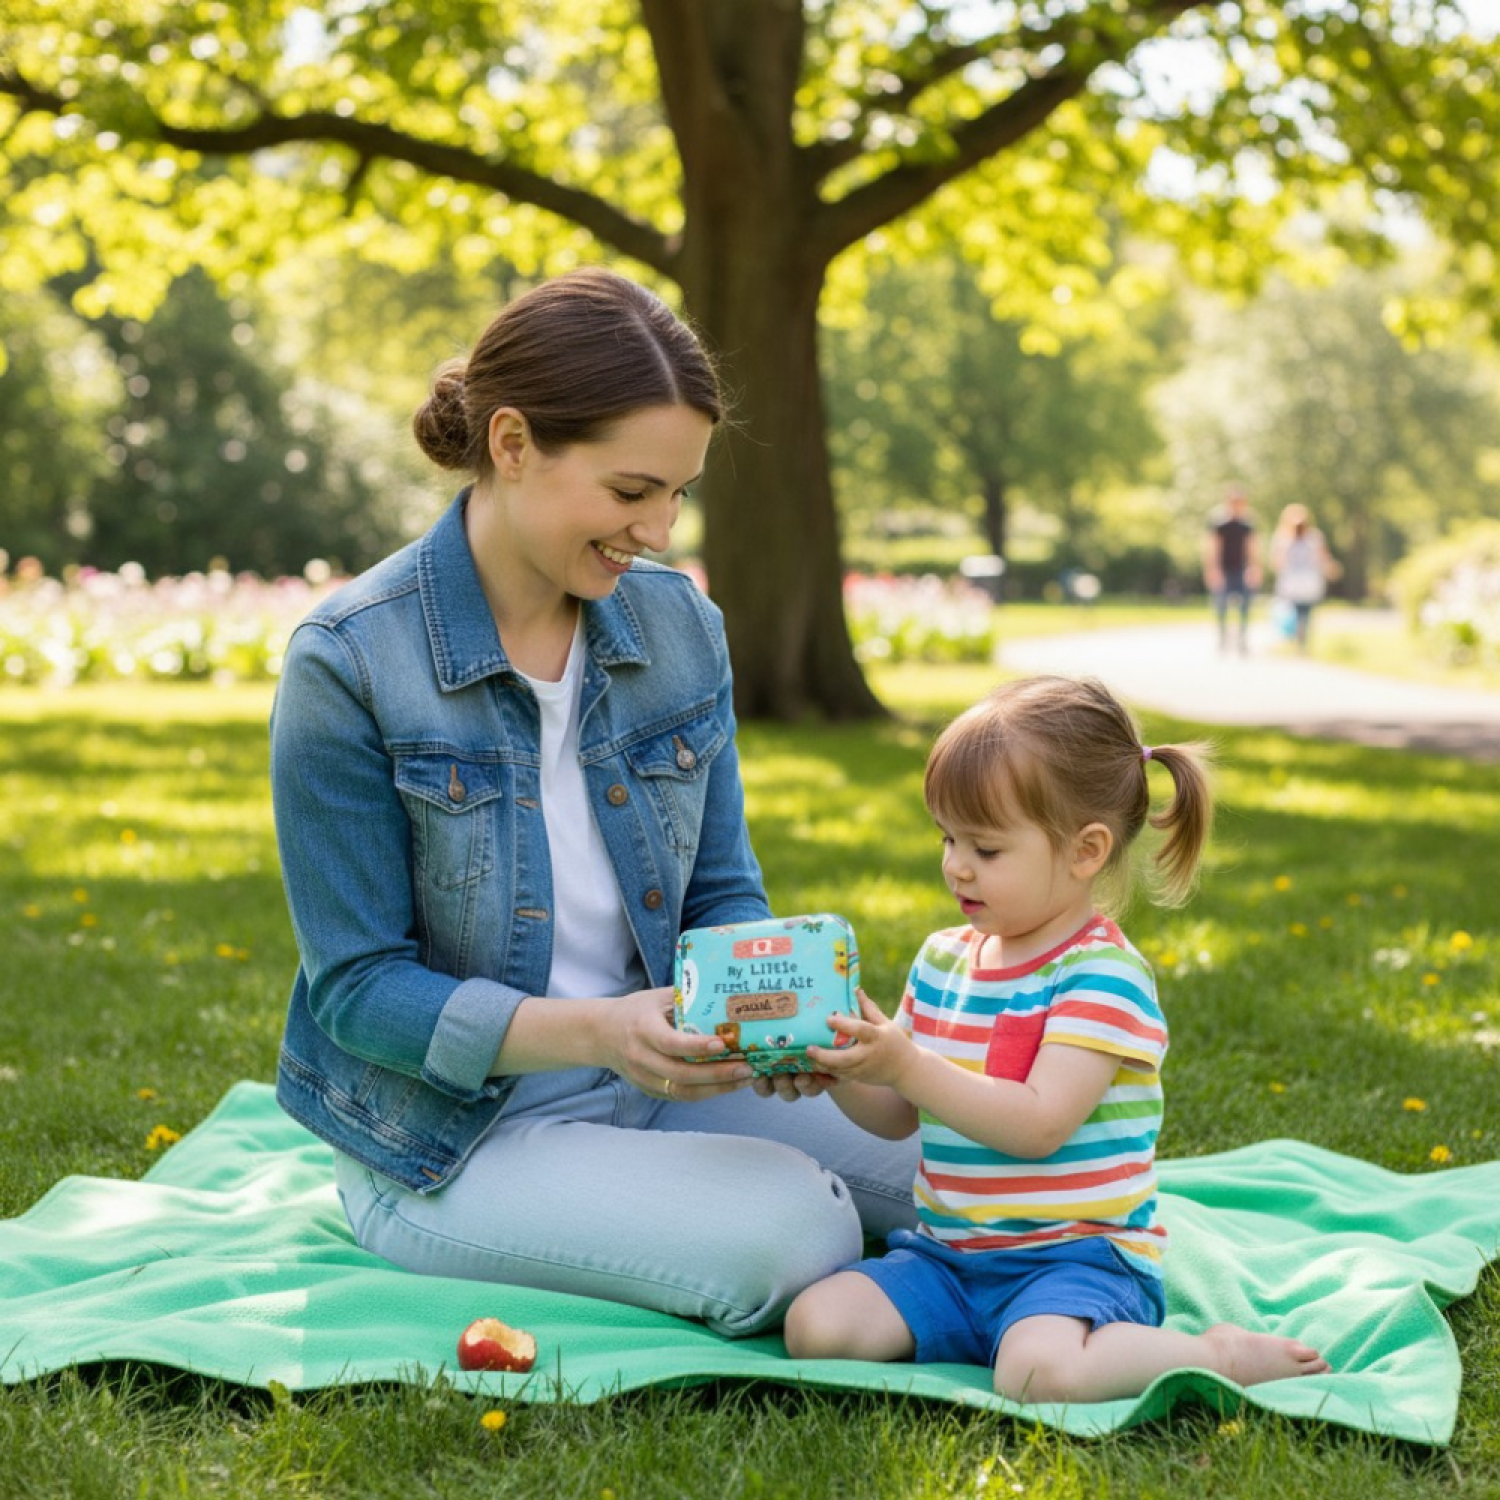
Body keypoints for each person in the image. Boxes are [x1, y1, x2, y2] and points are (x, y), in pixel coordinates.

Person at [268, 268, 917, 1338]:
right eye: (630, 492)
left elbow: (720, 891)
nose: (658, 529)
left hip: (664, 1075)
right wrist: (601, 1034)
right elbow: (359, 991)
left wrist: (778, 1012)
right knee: (801, 1232)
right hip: (450, 1139)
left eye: (679, 494)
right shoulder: (350, 660)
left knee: (973, 1154)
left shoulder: (678, 629)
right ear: (513, 444)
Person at [782, 676, 1330, 1400]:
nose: (955, 865)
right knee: (816, 1328)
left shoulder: (1101, 975)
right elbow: (897, 1116)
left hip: (1073, 1262)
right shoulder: (943, 959)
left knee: (1037, 1373)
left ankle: (1213, 1353)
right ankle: (992, 1331)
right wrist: (844, 1069)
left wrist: (906, 1064)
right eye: (948, 837)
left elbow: (1040, 1125)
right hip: (950, 1258)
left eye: (986, 847)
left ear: (1085, 851)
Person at [1271, 503, 1337, 654]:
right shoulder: (1283, 538)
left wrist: (1329, 568)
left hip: (1308, 582)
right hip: (1292, 583)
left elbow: (1323, 556)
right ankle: (1297, 639)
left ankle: (1302, 643)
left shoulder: (1314, 538)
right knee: (1294, 613)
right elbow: (1277, 561)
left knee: (1306, 613)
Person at [1201, 486, 1260, 654]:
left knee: (1245, 606)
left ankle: (1242, 640)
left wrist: (1254, 568)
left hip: (1242, 569)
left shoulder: (1248, 524)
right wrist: (1212, 569)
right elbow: (1212, 548)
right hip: (1223, 570)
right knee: (1221, 606)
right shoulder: (1219, 523)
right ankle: (1222, 639)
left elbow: (1252, 548)